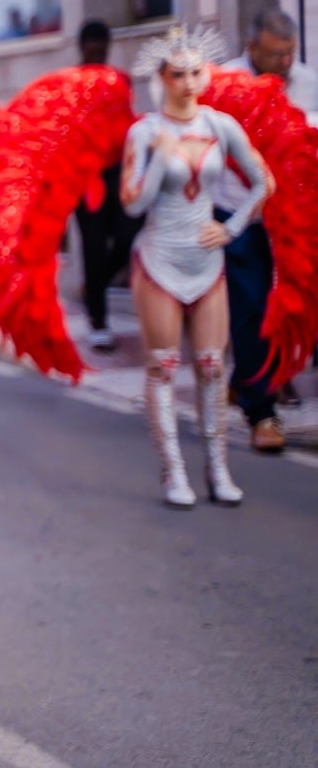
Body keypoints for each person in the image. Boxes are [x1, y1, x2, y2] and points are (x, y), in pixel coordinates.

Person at [122, 27, 268, 509]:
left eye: (195, 72)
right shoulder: (143, 132)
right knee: (163, 367)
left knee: (211, 368)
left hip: (207, 260)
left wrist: (231, 228)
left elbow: (262, 182)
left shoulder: (220, 125)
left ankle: (219, 470)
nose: (188, 82)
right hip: (160, 259)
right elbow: (132, 205)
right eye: (177, 74)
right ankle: (173, 474)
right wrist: (160, 163)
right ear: (161, 78)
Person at [214, 8, 313, 453]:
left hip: (297, 219)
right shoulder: (222, 86)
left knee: (299, 304)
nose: (284, 63)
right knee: (252, 306)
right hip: (241, 215)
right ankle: (261, 413)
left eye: (290, 53)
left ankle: (247, 380)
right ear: (252, 48)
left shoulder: (309, 83)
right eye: (275, 54)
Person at [72, 19, 142, 352]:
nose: (98, 52)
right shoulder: (69, 86)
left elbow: (128, 123)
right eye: (92, 47)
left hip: (117, 171)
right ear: (82, 48)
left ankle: (94, 285)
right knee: (93, 246)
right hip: (85, 177)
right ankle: (98, 321)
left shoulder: (120, 81)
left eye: (103, 47)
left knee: (128, 235)